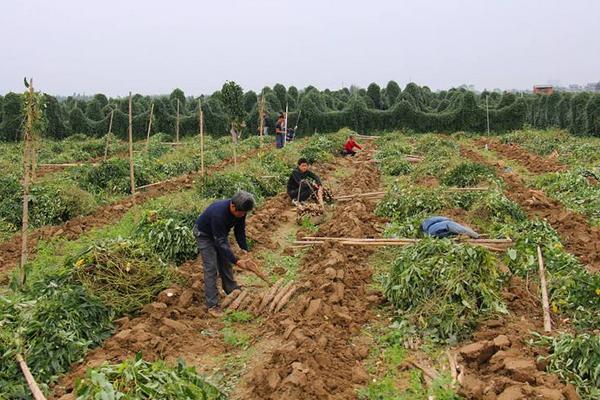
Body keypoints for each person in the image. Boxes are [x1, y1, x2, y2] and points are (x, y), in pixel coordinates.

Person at [192, 191, 255, 317]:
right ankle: (212, 305)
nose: (242, 215)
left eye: (244, 213)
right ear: (232, 206)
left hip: (219, 234)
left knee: (225, 262)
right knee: (211, 268)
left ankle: (230, 288)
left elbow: (239, 231)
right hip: (204, 235)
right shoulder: (219, 214)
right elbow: (220, 242)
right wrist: (237, 261)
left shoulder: (241, 210)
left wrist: (245, 250)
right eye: (240, 213)